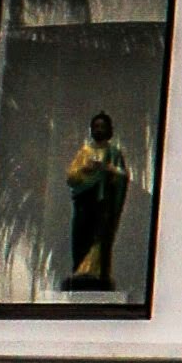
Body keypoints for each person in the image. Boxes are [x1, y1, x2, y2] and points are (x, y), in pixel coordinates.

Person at [63, 107, 134, 289]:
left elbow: (122, 176)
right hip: (85, 202)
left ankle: (97, 272)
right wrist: (86, 170)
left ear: (109, 131)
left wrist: (107, 169)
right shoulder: (85, 152)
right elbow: (71, 177)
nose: (99, 130)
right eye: (96, 126)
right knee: (82, 237)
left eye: (102, 127)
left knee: (100, 237)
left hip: (103, 203)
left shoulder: (114, 153)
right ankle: (81, 270)